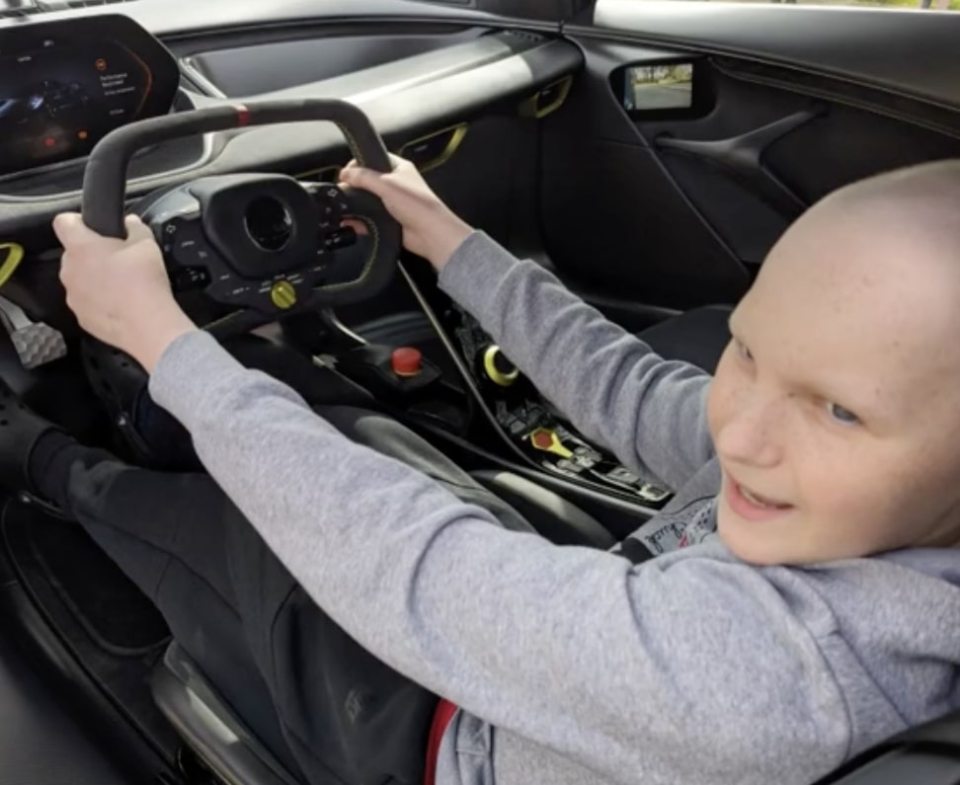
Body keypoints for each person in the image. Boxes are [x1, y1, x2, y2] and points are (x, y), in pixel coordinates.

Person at [3, 156, 960, 785]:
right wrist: (452, 240)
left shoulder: (775, 681)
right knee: (328, 428)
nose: (742, 433)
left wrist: (163, 340)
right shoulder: (874, 513)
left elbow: (415, 568)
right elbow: (633, 389)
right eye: (747, 352)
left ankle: (42, 461)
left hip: (436, 741)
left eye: (839, 409)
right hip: (589, 637)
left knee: (223, 527)